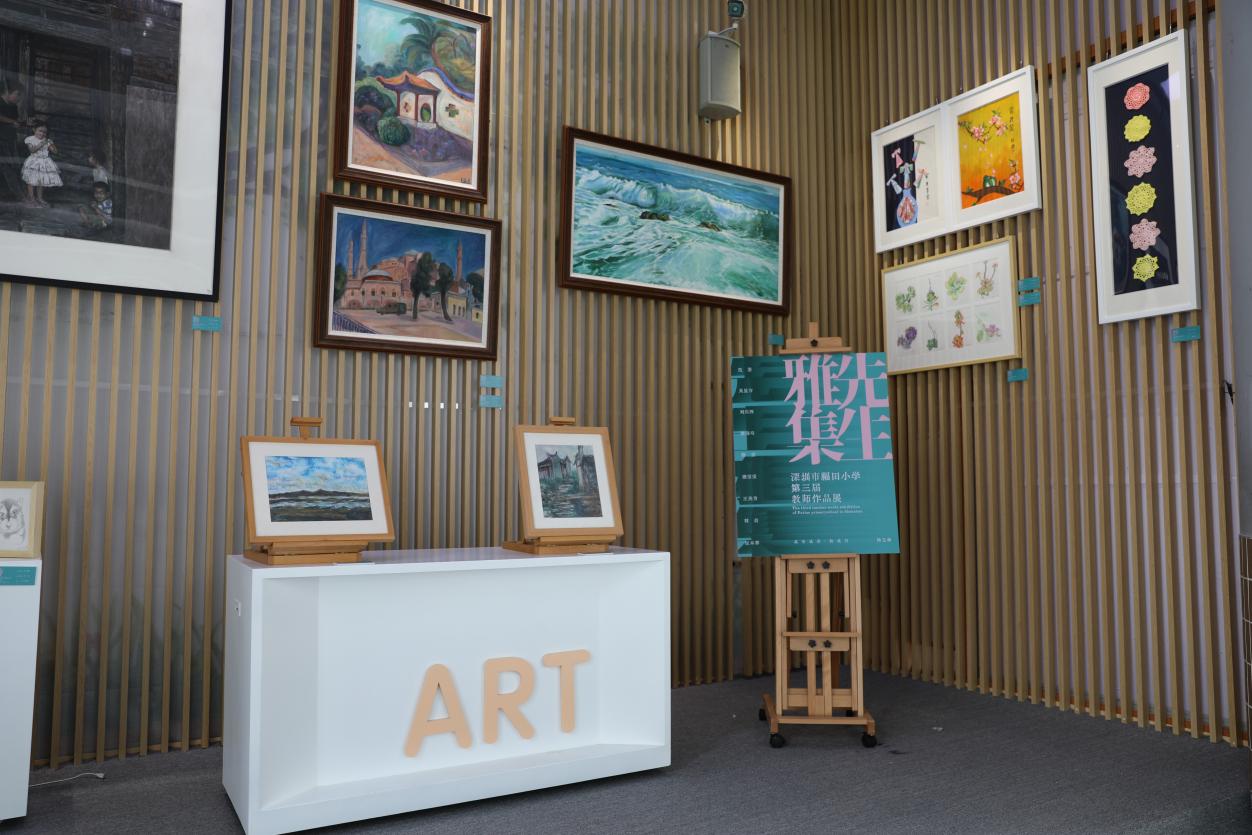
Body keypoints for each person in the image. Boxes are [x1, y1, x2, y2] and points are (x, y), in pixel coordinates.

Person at [21, 122, 62, 207]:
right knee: (31, 181)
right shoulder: (30, 139)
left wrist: (51, 144)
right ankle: (32, 198)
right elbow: (32, 150)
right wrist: (41, 144)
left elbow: (55, 151)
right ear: (34, 130)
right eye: (40, 131)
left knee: (41, 181)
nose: (42, 133)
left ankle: (40, 198)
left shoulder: (47, 140)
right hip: (34, 162)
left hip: (44, 162)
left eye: (44, 132)